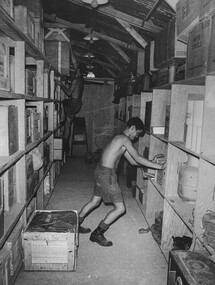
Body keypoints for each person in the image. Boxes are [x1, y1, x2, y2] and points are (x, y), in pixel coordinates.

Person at [78, 117, 166, 247]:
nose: (136, 137)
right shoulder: (124, 139)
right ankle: (98, 233)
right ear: (132, 128)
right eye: (137, 133)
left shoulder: (120, 139)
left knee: (95, 201)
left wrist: (146, 167)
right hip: (107, 175)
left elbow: (132, 161)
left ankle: (76, 224)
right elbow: (137, 157)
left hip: (100, 172)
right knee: (120, 209)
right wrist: (159, 166)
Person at [56, 43, 84, 154]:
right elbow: (75, 62)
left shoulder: (77, 80)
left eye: (75, 69)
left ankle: (65, 145)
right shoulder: (80, 79)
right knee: (68, 120)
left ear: (78, 71)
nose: (74, 69)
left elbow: (68, 92)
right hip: (76, 103)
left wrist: (60, 84)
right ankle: (65, 142)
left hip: (74, 103)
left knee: (67, 124)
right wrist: (70, 49)